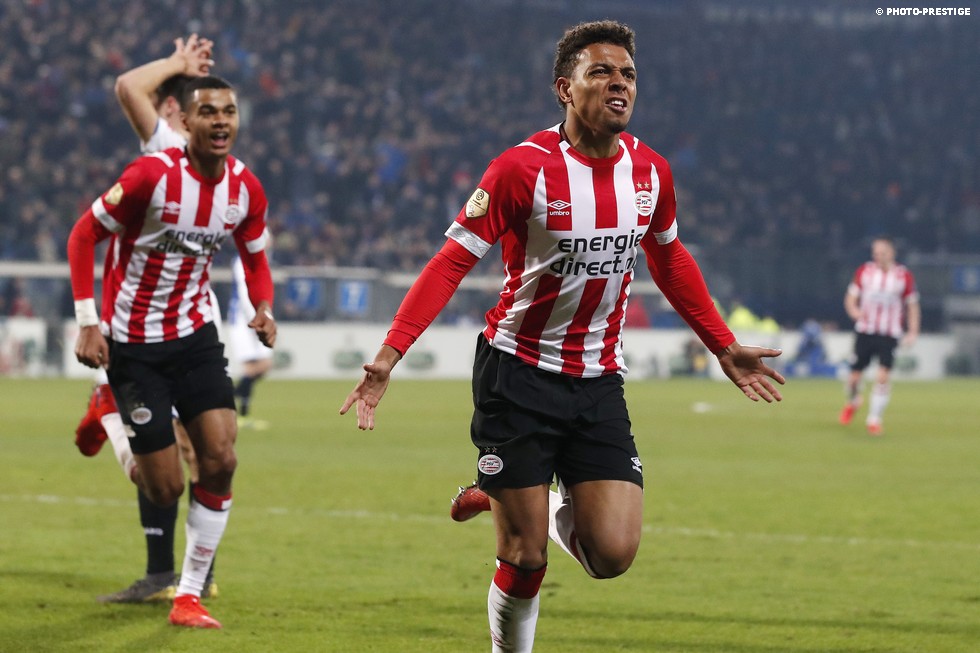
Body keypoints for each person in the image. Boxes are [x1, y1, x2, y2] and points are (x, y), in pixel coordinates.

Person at [340, 20, 784, 651]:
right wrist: (389, 355)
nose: (619, 84)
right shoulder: (521, 169)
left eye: (628, 74)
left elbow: (669, 258)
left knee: (612, 555)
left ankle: (504, 494)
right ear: (564, 89)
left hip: (598, 380)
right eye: (600, 72)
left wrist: (722, 343)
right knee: (525, 557)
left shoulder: (650, 172)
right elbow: (450, 263)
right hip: (517, 373)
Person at [68, 74, 276, 629]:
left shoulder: (245, 188)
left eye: (229, 111)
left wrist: (264, 306)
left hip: (195, 338)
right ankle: (108, 413)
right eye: (209, 112)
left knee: (222, 459)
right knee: (163, 486)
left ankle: (188, 595)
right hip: (134, 347)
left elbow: (255, 255)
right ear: (184, 121)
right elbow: (83, 235)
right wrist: (88, 323)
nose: (221, 121)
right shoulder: (150, 176)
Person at [73, 34, 223, 605]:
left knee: (204, 452)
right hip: (139, 330)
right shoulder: (164, 150)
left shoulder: (220, 163)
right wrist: (176, 63)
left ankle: (192, 574)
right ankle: (165, 572)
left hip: (193, 324)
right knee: (165, 457)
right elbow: (129, 86)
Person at [838, 236, 919, 435]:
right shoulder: (865, 272)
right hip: (865, 331)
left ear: (891, 253)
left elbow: (912, 306)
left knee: (883, 376)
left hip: (889, 334)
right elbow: (850, 298)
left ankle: (874, 419)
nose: (878, 256)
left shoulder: (903, 276)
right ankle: (854, 401)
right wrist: (854, 311)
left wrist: (913, 331)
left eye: (882, 253)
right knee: (854, 379)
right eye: (875, 253)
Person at [228, 253, 275, 428]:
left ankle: (238, 409)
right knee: (256, 366)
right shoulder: (243, 260)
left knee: (259, 366)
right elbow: (244, 292)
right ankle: (236, 409)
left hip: (250, 319)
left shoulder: (257, 258)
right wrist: (256, 319)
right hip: (243, 321)